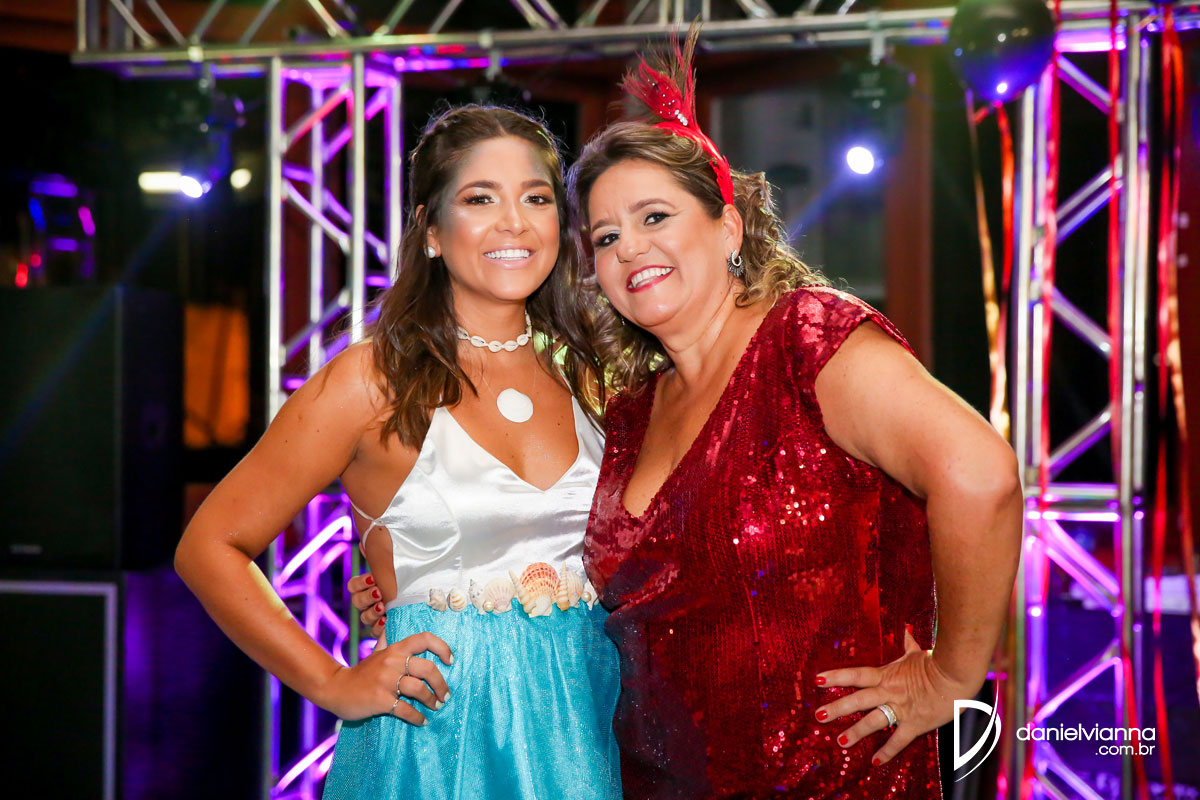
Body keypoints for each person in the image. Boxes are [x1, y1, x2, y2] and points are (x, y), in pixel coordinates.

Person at [567, 33, 1023, 798]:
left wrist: (952, 676)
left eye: (654, 217)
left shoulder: (807, 342)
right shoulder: (632, 408)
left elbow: (982, 477)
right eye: (606, 236)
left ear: (728, 227)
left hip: (826, 780)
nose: (629, 249)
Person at [175, 105, 621, 800]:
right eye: (480, 199)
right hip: (439, 743)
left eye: (536, 198)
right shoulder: (371, 379)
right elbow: (209, 547)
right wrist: (332, 682)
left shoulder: (594, 372)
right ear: (431, 231)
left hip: (588, 726)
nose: (514, 222)